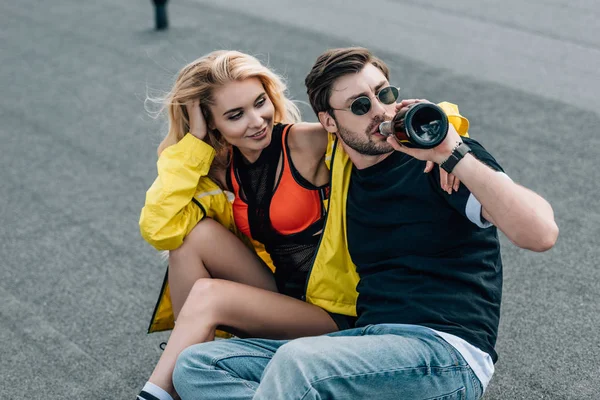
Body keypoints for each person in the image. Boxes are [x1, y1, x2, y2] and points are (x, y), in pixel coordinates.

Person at [171, 47, 559, 400]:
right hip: (364, 348)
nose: (381, 111)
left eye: (384, 93)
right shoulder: (340, 179)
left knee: (299, 363)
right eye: (359, 105)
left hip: (444, 355)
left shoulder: (438, 163)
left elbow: (540, 233)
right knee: (198, 366)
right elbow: (169, 216)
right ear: (329, 123)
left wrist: (452, 153)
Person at [137, 50, 461, 400]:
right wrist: (195, 143)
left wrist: (446, 147)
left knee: (208, 295)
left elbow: (389, 125)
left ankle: (165, 387)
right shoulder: (216, 167)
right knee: (189, 238)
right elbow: (161, 228)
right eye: (235, 115)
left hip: (335, 312)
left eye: (260, 102)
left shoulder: (305, 142)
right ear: (211, 122)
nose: (257, 120)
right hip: (283, 298)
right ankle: (192, 358)